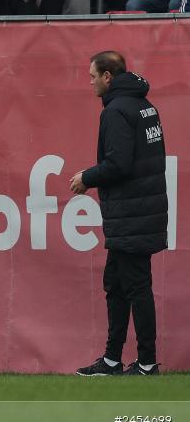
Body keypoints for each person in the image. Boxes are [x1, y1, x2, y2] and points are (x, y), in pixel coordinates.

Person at [71, 51, 167, 377]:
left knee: (136, 287)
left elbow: (119, 164)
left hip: (131, 214)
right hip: (140, 211)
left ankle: (147, 363)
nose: (90, 82)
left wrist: (87, 178)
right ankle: (112, 359)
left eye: (93, 76)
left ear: (108, 77)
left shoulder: (115, 111)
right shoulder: (144, 105)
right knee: (115, 284)